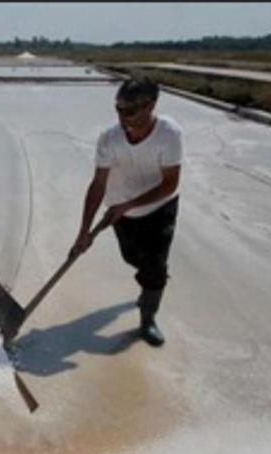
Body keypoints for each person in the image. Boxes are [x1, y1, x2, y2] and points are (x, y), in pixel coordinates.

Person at [71, 77, 183, 347]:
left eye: (130, 111)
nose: (123, 117)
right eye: (118, 109)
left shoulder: (169, 134)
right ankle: (150, 279)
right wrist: (84, 232)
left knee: (154, 266)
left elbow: (170, 184)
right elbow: (98, 185)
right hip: (121, 210)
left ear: (151, 105)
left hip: (159, 206)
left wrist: (129, 204)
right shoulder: (109, 139)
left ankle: (148, 318)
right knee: (133, 257)